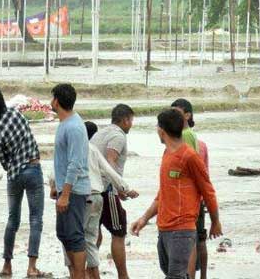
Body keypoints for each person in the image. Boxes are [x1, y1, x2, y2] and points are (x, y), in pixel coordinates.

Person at [130, 109, 221, 279]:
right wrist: (144, 219)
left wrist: (215, 221)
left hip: (182, 229)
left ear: (161, 130)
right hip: (163, 227)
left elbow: (208, 191)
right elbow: (162, 194)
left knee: (176, 275)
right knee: (171, 273)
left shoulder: (189, 156)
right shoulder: (166, 155)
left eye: (157, 126)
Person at [0, 89, 47, 278]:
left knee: (13, 220)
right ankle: (31, 267)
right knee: (35, 219)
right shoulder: (17, 113)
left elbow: (4, 162)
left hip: (14, 176)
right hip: (33, 169)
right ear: (3, 102)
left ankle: (7, 265)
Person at [82, 121, 135, 279]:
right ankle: (123, 275)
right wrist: (123, 188)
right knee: (118, 232)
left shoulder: (87, 143)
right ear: (125, 120)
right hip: (105, 191)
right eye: (131, 120)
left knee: (92, 234)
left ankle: (88, 272)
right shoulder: (116, 137)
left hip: (84, 194)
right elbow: (109, 165)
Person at [50, 83, 90, 279]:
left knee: (74, 236)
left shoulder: (73, 127)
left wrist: (65, 194)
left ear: (56, 101)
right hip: (65, 189)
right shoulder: (65, 124)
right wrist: (55, 186)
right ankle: (75, 273)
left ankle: (79, 275)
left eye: (52, 98)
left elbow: (75, 163)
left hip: (74, 191)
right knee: (64, 234)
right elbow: (62, 160)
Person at [171, 98, 208, 279]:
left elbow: (188, 170)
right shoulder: (194, 138)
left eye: (176, 113)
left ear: (187, 115)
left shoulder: (184, 137)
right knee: (197, 240)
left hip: (187, 199)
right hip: (195, 197)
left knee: (190, 240)